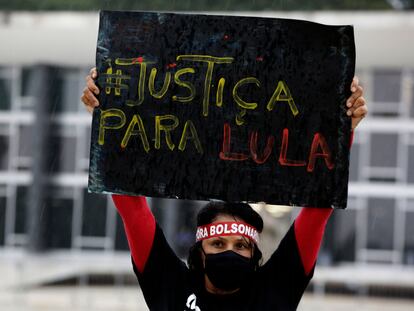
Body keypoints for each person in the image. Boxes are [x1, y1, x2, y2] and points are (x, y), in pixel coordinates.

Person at [82, 68, 367, 310]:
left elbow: (318, 208)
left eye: (241, 246)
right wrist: (107, 115)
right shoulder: (170, 284)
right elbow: (132, 209)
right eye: (218, 244)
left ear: (255, 253)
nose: (230, 252)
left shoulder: (276, 289)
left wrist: (341, 128)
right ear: (200, 251)